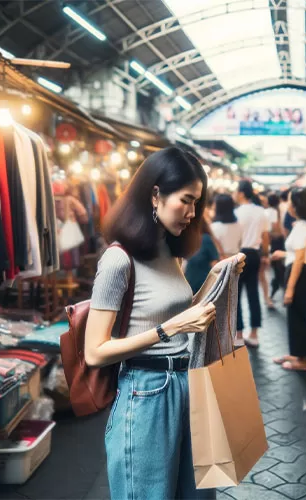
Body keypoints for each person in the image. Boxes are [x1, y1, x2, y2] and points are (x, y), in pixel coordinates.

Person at [84, 147, 245, 500]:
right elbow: (95, 352)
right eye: (185, 201)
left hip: (188, 384)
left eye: (196, 204)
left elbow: (178, 312)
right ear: (155, 193)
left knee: (199, 495)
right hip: (147, 390)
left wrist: (216, 278)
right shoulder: (117, 259)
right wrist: (168, 330)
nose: (191, 213)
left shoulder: (170, 252)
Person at [271, 187, 306, 371]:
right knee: (297, 314)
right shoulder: (305, 226)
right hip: (305, 271)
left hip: (300, 274)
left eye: (291, 201)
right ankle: (298, 354)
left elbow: (299, 259)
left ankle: (302, 361)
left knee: (297, 315)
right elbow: (297, 254)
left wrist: (289, 289)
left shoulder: (303, 228)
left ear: (296, 205)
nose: (288, 205)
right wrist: (283, 254)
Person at [234, 180, 269, 347]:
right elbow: (265, 236)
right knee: (254, 294)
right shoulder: (261, 211)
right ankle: (254, 334)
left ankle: (239, 334)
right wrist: (265, 255)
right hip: (255, 253)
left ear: (241, 193)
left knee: (236, 295)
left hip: (239, 253)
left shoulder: (237, 213)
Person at [184, 221, 221, 294]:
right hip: (193, 283)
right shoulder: (189, 239)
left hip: (201, 283)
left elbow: (215, 262)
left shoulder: (205, 239)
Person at [266, 193, 286, 302]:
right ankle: (279, 289)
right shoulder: (277, 211)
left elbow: (274, 228)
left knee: (278, 269)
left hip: (274, 243)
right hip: (278, 242)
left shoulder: (271, 212)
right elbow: (278, 229)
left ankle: (276, 290)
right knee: (279, 269)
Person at [210, 194, 243, 258]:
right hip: (235, 259)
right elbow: (240, 244)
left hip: (219, 259)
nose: (213, 206)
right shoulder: (239, 226)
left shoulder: (213, 227)